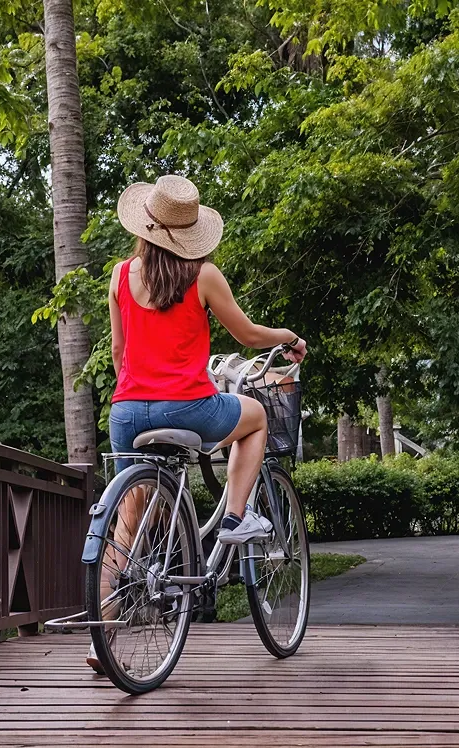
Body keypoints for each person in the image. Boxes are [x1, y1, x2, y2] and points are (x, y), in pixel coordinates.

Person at [88, 174, 306, 672]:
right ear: (189, 233)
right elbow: (248, 333)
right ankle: (234, 516)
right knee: (254, 420)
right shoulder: (203, 275)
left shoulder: (120, 276)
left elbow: (121, 353)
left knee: (125, 522)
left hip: (126, 410)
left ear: (145, 225)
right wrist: (288, 335)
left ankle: (99, 639)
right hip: (188, 406)